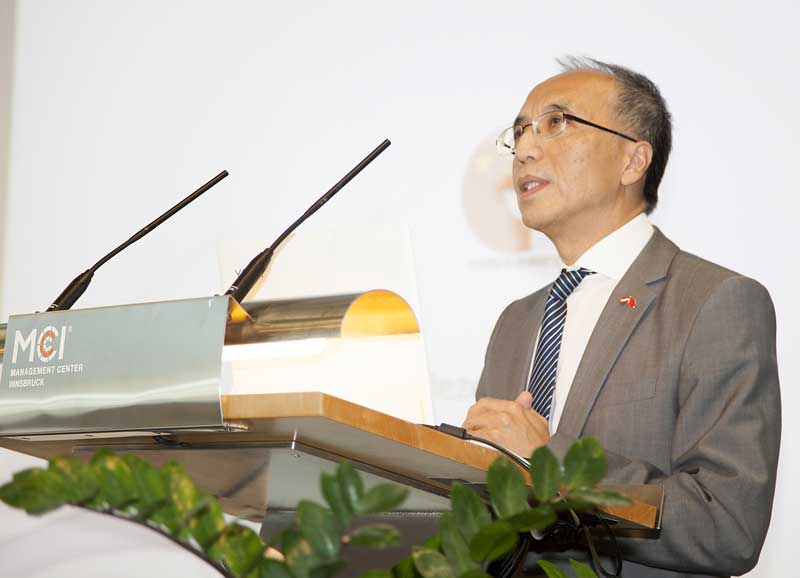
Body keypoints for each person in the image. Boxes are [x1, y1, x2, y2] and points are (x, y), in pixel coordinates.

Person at [462, 57, 781, 578]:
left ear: (634, 162)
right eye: (519, 131)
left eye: (556, 123)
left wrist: (550, 464)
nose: (525, 148)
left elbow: (729, 524)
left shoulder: (715, 301)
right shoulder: (515, 322)